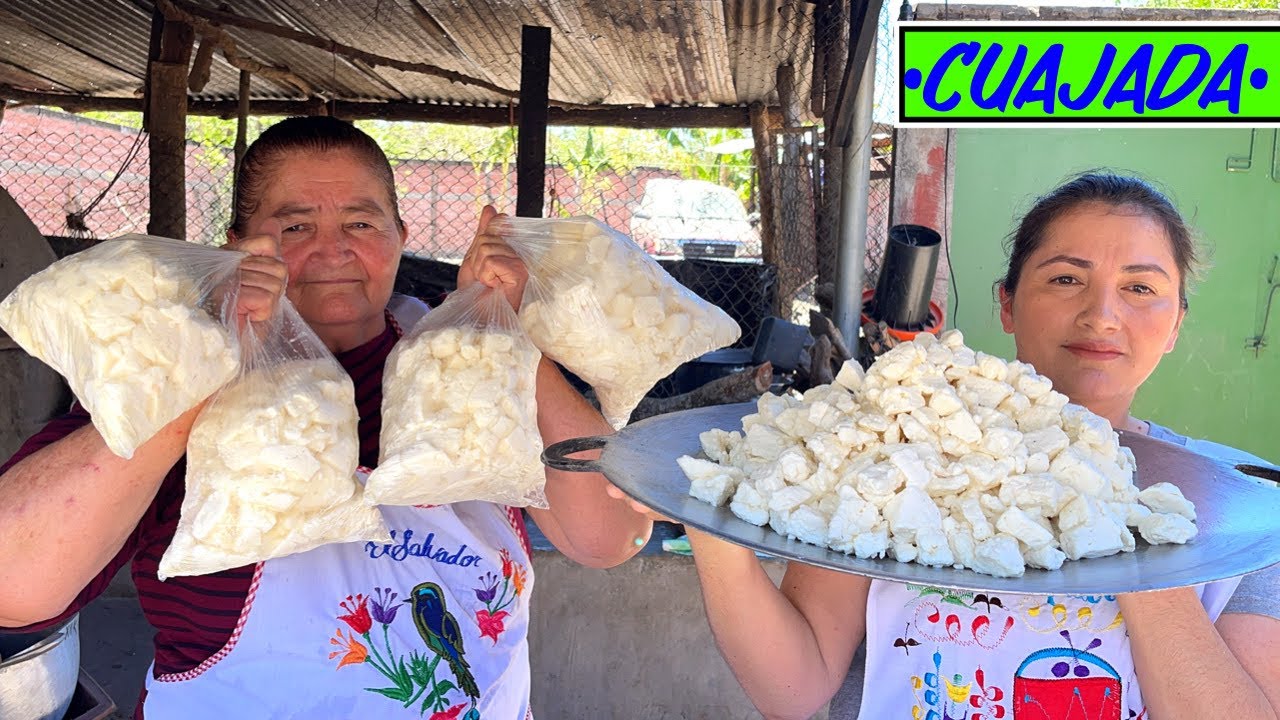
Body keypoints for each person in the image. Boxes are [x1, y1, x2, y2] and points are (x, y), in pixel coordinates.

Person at [0, 116, 653, 719]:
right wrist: (203, 368)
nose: (333, 250)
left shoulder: (467, 361)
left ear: (402, 236)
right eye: (295, 226)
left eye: (362, 224)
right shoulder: (165, 368)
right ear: (237, 246)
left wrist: (504, 332)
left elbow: (608, 538)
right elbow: (14, 584)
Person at [621, 173, 1280, 720]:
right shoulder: (892, 444)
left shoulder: (1242, 512)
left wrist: (1131, 533)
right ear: (1007, 305)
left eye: (1140, 288)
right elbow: (794, 690)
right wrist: (709, 523)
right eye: (1065, 279)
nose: (1102, 313)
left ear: (1175, 325)